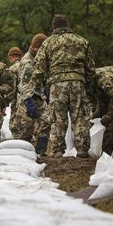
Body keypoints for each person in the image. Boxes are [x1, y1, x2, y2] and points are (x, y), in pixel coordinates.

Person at [32, 14, 95, 158]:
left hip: (57, 85)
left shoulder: (48, 43)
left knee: (58, 117)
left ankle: (58, 149)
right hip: (78, 82)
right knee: (80, 116)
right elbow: (91, 68)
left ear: (53, 26)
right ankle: (82, 149)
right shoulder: (82, 41)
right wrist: (87, 83)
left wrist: (38, 85)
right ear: (67, 25)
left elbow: (39, 68)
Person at [11, 33, 50, 156]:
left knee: (47, 121)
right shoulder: (28, 62)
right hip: (26, 97)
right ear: (34, 47)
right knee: (26, 127)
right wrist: (28, 102)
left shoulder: (41, 58)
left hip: (39, 96)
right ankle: (22, 154)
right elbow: (24, 84)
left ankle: (40, 152)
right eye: (39, 48)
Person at [91, 66, 113, 155]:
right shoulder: (93, 85)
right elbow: (102, 103)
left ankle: (106, 158)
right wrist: (94, 119)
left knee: (110, 130)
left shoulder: (103, 79)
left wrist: (109, 115)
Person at [7, 46, 23, 138]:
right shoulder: (29, 65)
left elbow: (12, 87)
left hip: (17, 100)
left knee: (14, 125)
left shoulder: (12, 69)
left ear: (10, 57)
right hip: (30, 98)